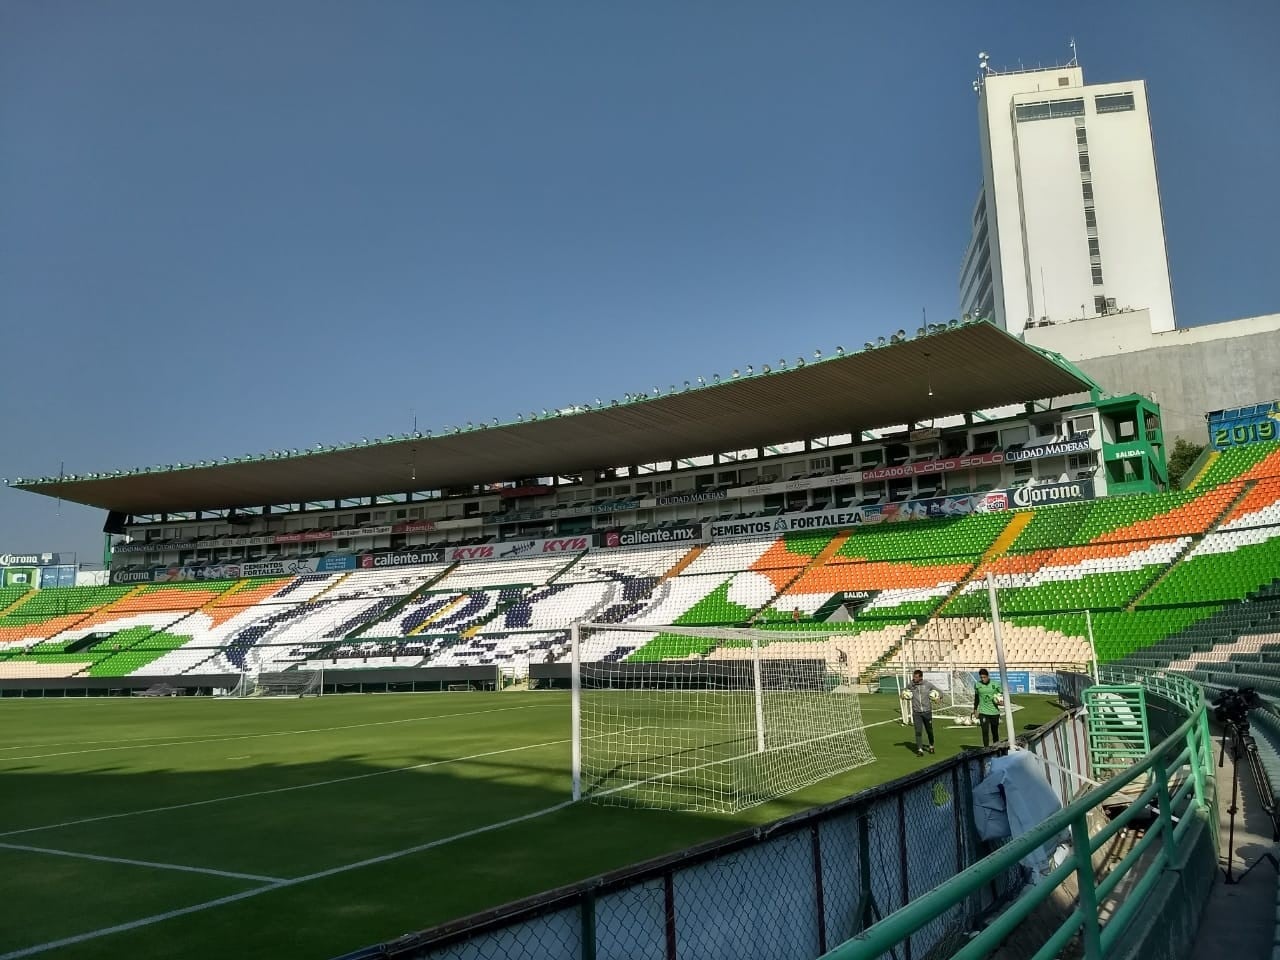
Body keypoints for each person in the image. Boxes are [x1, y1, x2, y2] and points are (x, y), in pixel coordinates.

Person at [908, 670, 938, 757]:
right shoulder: (911, 685)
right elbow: (905, 691)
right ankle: (920, 749)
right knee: (918, 731)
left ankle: (931, 745)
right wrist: (904, 695)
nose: (914, 678)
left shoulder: (927, 684)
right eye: (914, 676)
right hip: (916, 712)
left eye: (916, 677)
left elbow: (938, 691)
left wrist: (938, 697)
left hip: (927, 712)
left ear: (921, 677)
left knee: (929, 730)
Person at [972, 668, 1003, 746]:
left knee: (995, 732)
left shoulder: (996, 684)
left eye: (984, 677)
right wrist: (975, 709)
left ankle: (996, 748)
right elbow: (976, 698)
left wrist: (1001, 701)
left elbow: (1002, 695)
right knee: (985, 732)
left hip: (994, 712)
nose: (983, 679)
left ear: (988, 676)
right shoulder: (977, 685)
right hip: (983, 712)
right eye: (981, 677)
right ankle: (986, 750)